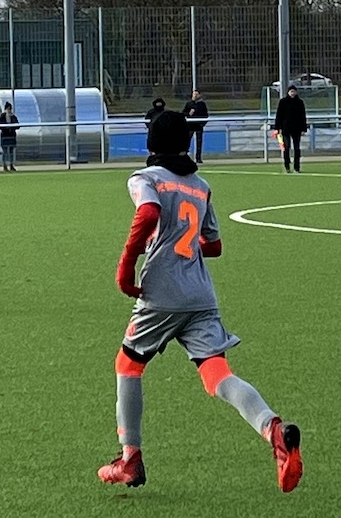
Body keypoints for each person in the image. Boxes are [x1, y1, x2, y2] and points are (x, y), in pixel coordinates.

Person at [98, 110, 302, 493]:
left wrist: (127, 264)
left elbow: (148, 211)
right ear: (187, 142)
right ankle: (273, 428)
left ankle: (130, 459)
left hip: (162, 293)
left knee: (128, 364)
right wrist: (184, 244)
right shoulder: (200, 185)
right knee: (218, 375)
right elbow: (214, 245)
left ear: (152, 143)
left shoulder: (145, 178)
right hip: (200, 294)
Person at [271, 85, 308, 174]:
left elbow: (303, 116)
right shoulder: (283, 102)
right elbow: (279, 116)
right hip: (286, 129)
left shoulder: (299, 102)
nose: (292, 93)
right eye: (291, 91)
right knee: (286, 148)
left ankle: (296, 167)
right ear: (288, 92)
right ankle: (287, 166)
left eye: (294, 91)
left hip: (297, 129)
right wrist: (277, 128)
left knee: (297, 149)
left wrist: (304, 129)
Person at [183, 90, 209, 164]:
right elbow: (183, 113)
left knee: (199, 142)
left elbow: (205, 115)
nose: (194, 96)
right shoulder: (189, 104)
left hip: (198, 126)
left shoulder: (202, 104)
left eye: (196, 95)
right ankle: (185, 157)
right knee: (187, 141)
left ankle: (198, 158)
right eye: (194, 94)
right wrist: (188, 113)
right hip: (190, 125)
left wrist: (202, 124)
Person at [0, 100, 20, 172]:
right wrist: (6, 128)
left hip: (11, 136)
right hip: (4, 136)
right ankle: (4, 165)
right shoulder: (2, 116)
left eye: (10, 109)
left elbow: (17, 125)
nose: (9, 110)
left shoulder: (13, 116)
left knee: (11, 152)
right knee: (5, 152)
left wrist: (12, 126)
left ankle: (11, 165)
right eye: (8, 109)